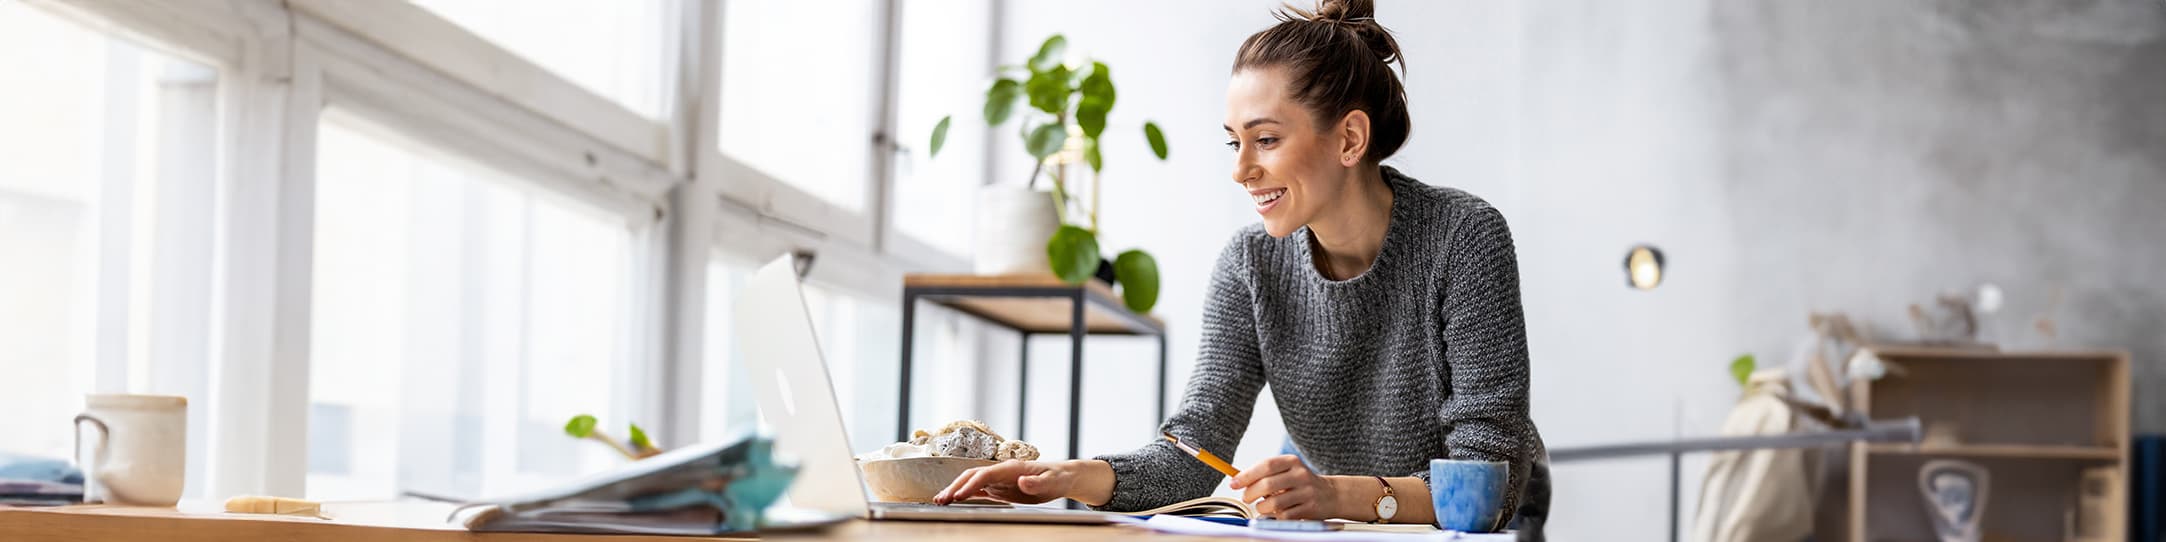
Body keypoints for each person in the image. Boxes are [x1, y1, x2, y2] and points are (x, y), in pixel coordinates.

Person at [935, 0, 1549, 535]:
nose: (1241, 169)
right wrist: (1072, 476)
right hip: (1339, 519)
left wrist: (1335, 492)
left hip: (1481, 523)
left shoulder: (1464, 236)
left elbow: (1486, 479)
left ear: (1350, 139)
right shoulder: (1250, 265)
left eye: (1267, 139)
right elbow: (1193, 452)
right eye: (1234, 141)